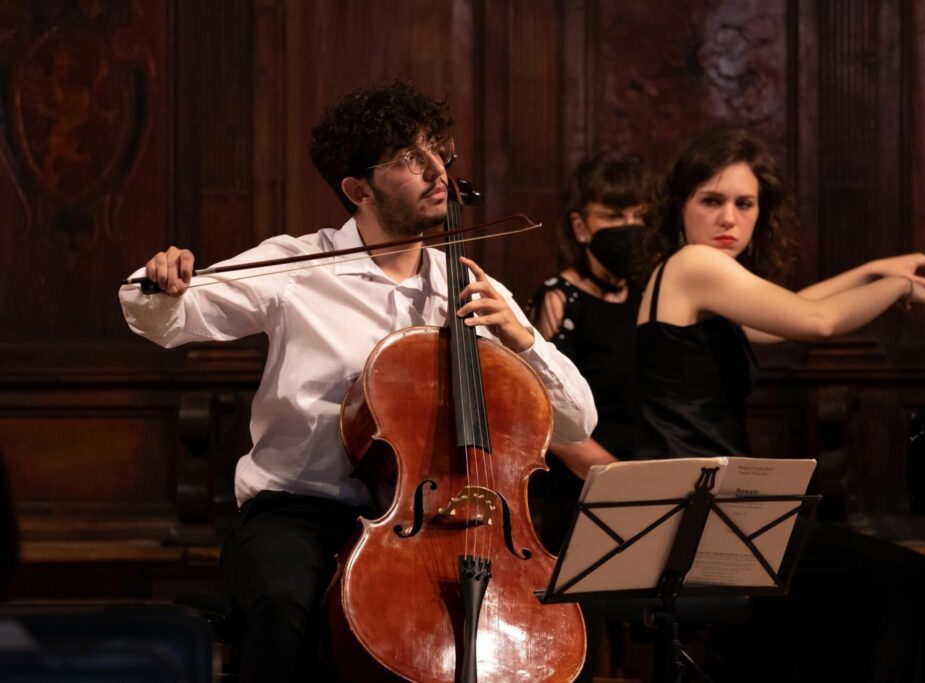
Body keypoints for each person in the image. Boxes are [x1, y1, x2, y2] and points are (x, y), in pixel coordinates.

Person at [119, 81, 597, 683]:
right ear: (357, 188)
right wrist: (161, 279)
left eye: (438, 153)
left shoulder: (473, 287)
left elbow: (579, 419)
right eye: (407, 159)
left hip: (444, 522)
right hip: (297, 513)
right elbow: (162, 317)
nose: (437, 172)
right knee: (284, 610)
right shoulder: (298, 268)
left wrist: (522, 341)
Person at [632, 122, 925, 681]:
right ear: (680, 205)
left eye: (745, 203)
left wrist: (874, 269)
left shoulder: (695, 280)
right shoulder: (694, 265)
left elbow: (784, 315)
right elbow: (817, 320)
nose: (729, 219)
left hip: (717, 510)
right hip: (706, 514)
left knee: (878, 592)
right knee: (912, 583)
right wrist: (902, 289)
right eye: (711, 201)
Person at [527, 153, 650, 681]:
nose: (628, 229)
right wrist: (621, 486)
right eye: (613, 217)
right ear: (581, 225)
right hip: (584, 490)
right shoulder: (559, 300)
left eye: (637, 216)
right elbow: (543, 414)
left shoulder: (650, 297)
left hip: (646, 479)